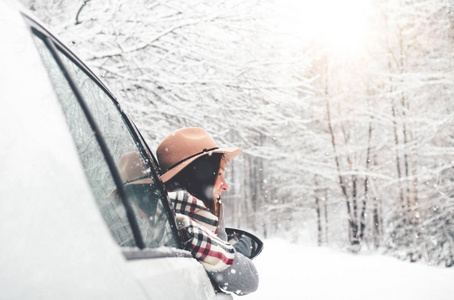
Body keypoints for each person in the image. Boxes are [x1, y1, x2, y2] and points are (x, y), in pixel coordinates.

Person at [156, 127, 259, 296]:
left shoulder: (164, 213)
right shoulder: (186, 226)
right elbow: (249, 280)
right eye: (218, 175)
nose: (225, 185)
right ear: (199, 177)